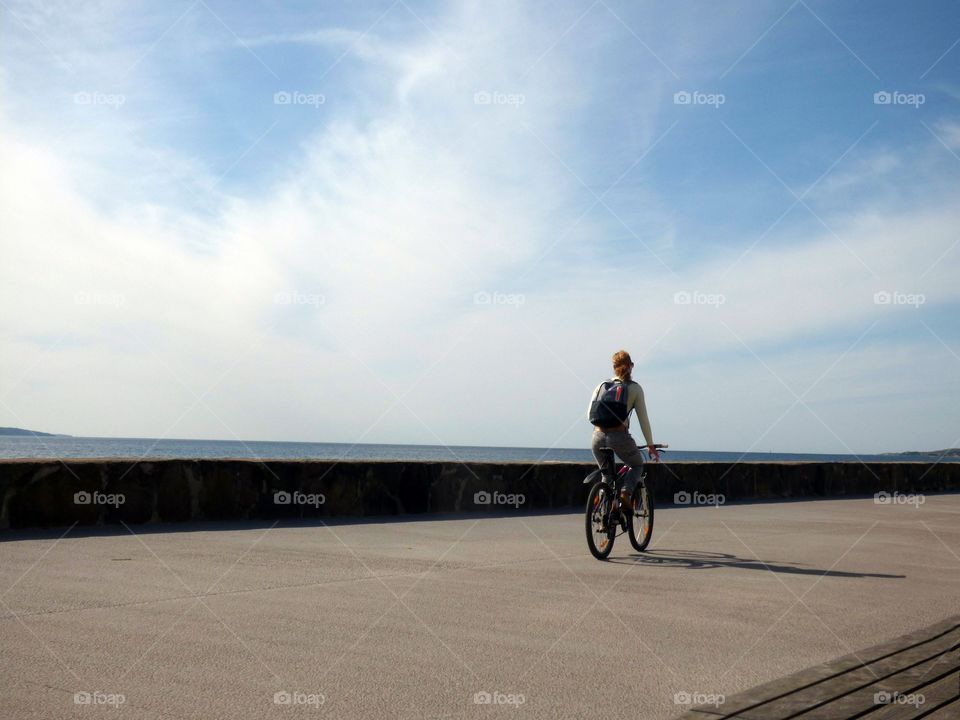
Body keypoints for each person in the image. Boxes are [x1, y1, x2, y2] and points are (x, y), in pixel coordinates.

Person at [587, 350, 659, 511]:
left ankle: (604, 518)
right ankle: (625, 493)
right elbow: (643, 420)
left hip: (597, 437)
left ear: (614, 367)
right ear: (631, 366)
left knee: (606, 475)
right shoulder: (635, 389)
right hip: (619, 436)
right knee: (637, 465)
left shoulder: (601, 386)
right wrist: (650, 445)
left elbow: (589, 414)